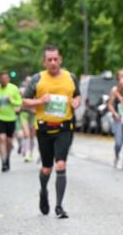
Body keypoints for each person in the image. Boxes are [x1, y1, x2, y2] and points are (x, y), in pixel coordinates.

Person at [21, 45, 81, 218]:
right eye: (50, 60)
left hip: (64, 127)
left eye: (56, 59)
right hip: (44, 129)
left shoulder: (71, 77)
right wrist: (40, 100)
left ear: (60, 60)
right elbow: (25, 101)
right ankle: (43, 191)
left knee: (60, 164)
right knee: (47, 168)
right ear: (44, 62)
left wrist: (76, 102)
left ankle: (59, 206)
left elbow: (77, 94)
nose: (53, 63)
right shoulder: (37, 79)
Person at [0, 70, 23, 172]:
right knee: (2, 139)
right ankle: (3, 161)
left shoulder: (13, 88)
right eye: (2, 78)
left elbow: (19, 102)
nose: (4, 80)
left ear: (8, 79)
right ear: (0, 79)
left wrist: (12, 101)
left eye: (6, 78)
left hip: (11, 118)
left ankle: (7, 158)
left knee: (9, 142)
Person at [106, 68, 123, 170]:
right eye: (121, 75)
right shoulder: (114, 90)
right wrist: (115, 114)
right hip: (118, 119)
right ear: (117, 77)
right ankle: (116, 157)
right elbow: (110, 105)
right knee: (119, 142)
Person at [17, 76, 36, 163]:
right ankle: (27, 153)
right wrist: (19, 108)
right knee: (26, 134)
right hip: (24, 114)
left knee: (32, 135)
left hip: (34, 115)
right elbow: (21, 103)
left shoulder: (37, 89)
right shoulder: (21, 90)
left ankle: (31, 153)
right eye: (27, 81)